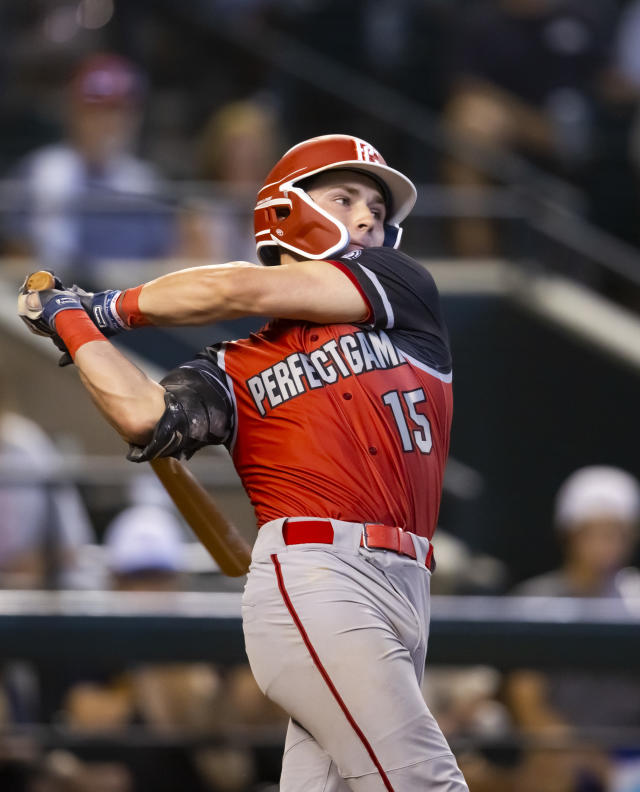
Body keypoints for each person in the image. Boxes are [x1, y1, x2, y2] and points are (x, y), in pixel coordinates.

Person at [18, 133, 468, 791]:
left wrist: (99, 309)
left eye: (377, 204)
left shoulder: (404, 291)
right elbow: (147, 416)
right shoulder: (232, 364)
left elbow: (236, 287)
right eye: (346, 197)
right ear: (286, 211)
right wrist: (76, 330)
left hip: (405, 587)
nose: (370, 215)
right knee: (425, 783)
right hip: (319, 576)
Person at [506, 465, 640, 792]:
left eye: (615, 531)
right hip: (564, 753)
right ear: (569, 534)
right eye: (591, 531)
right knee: (547, 768)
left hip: (631, 748)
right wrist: (587, 756)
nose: (604, 543)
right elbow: (527, 702)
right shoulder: (535, 601)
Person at [2, 52, 172, 285]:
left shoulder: (145, 182)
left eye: (119, 111)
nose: (108, 123)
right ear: (73, 112)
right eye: (95, 111)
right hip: (50, 302)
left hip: (125, 306)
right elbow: (15, 252)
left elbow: (160, 259)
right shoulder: (38, 169)